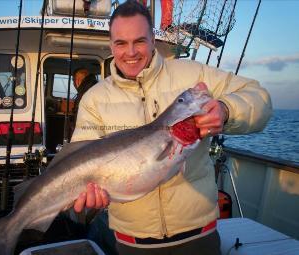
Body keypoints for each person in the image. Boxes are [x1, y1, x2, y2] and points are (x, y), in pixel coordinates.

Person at [71, 1, 272, 254]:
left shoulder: (193, 76)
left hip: (200, 236)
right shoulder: (94, 99)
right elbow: (81, 157)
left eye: (140, 41)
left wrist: (226, 109)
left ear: (153, 40)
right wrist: (92, 199)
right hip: (132, 243)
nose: (130, 52)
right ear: (111, 45)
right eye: (121, 43)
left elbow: (259, 98)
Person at [71, 67, 98, 131]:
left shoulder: (84, 92)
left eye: (73, 80)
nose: (74, 83)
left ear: (77, 80)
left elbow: (80, 116)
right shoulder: (95, 87)